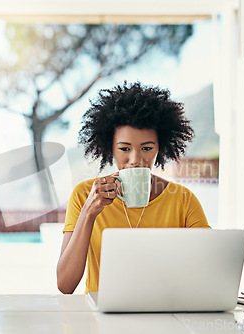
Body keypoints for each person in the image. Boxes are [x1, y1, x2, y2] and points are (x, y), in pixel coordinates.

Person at [56, 82, 211, 294]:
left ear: (160, 147)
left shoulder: (182, 199)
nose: (136, 159)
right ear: (110, 148)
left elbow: (208, 270)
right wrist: (88, 213)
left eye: (147, 148)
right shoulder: (84, 194)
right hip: (103, 319)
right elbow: (65, 285)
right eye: (124, 149)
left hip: (164, 312)